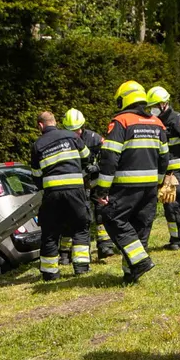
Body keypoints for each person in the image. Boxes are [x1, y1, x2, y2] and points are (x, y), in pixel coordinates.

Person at [95, 81, 169, 283]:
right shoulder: (157, 123)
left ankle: (140, 262)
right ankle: (131, 273)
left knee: (112, 218)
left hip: (126, 187)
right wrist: (159, 182)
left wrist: (102, 188)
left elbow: (110, 157)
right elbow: (164, 158)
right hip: (150, 187)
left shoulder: (121, 121)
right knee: (140, 227)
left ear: (124, 98)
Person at [30, 111, 93, 280]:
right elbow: (87, 156)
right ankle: (81, 267)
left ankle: (50, 273)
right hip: (75, 190)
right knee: (80, 226)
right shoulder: (71, 136)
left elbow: (36, 175)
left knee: (50, 232)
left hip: (52, 193)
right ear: (55, 122)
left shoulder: (37, 145)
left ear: (40, 125)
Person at [147, 86, 180, 250]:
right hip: (165, 172)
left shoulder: (178, 119)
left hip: (177, 170)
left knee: (173, 204)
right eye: (151, 106)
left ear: (164, 104)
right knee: (167, 204)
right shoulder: (157, 122)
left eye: (155, 105)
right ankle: (175, 238)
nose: (153, 109)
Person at [61, 108, 110, 262]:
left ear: (82, 126)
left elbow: (109, 156)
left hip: (94, 182)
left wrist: (97, 167)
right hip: (76, 185)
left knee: (101, 212)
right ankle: (65, 254)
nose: (74, 133)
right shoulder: (62, 140)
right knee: (74, 217)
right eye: (71, 130)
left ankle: (105, 247)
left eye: (76, 130)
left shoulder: (95, 138)